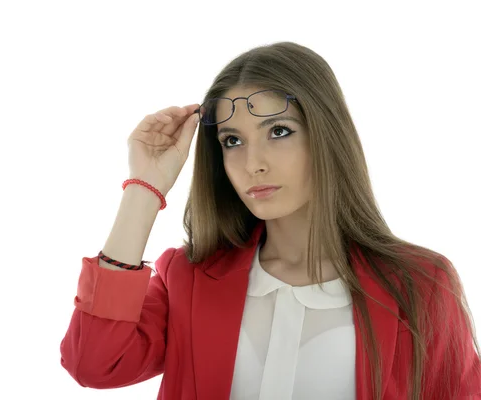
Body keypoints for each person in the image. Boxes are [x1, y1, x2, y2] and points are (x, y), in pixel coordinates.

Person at [59, 42, 481, 399]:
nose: (252, 163)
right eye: (232, 140)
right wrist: (143, 190)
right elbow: (94, 364)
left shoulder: (421, 284)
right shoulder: (188, 277)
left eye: (278, 131)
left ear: (326, 134)